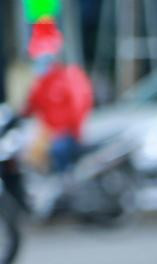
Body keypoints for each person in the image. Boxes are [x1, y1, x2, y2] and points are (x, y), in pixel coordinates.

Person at [23, 21, 93, 175]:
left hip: (66, 136)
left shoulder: (70, 77)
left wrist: (72, 131)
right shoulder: (42, 82)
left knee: (60, 155)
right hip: (48, 135)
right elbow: (30, 106)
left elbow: (80, 106)